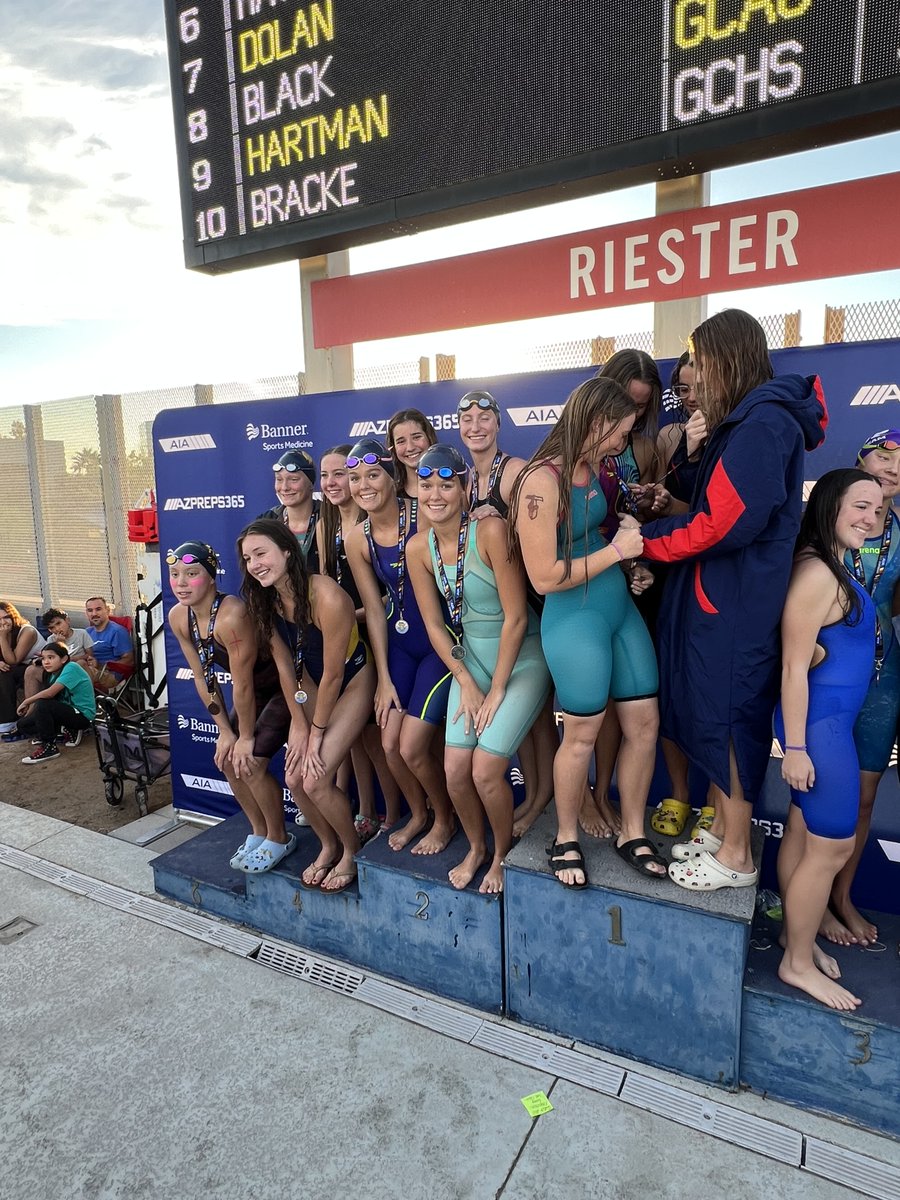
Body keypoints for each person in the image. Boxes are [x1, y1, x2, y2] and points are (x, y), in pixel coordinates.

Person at [639, 309, 827, 891]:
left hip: (735, 603)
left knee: (730, 721)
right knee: (715, 718)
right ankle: (724, 831)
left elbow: (724, 522)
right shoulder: (746, 419)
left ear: (728, 358)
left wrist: (642, 542)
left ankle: (738, 857)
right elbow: (709, 495)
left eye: (702, 360)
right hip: (721, 598)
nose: (695, 374)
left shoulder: (764, 422)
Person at [510, 377, 665, 888]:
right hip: (573, 618)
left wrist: (627, 566)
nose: (623, 444)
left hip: (616, 608)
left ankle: (633, 831)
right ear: (596, 423)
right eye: (619, 434)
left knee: (644, 721)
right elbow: (545, 576)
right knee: (581, 735)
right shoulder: (541, 480)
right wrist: (618, 554)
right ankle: (568, 835)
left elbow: (597, 531)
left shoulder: (597, 467)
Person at [408, 444, 551, 893]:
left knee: (487, 768)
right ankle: (476, 846)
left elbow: (517, 618)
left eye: (446, 485)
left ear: (465, 488)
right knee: (455, 770)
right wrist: (467, 682)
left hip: (522, 660)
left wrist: (496, 690)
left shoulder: (490, 531)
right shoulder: (418, 548)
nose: (435, 495)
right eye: (426, 485)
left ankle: (503, 854)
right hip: (471, 663)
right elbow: (434, 624)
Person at [774, 469, 882, 1011]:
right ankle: (795, 963)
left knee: (802, 831)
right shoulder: (819, 572)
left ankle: (800, 937)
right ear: (831, 505)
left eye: (878, 509)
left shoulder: (834, 565)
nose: (871, 517)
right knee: (833, 845)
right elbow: (793, 666)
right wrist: (796, 749)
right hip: (819, 731)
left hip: (823, 726)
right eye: (860, 505)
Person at [239, 518, 375, 893]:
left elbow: (334, 674)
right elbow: (287, 669)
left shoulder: (326, 595)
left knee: (315, 778)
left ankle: (351, 849)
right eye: (248, 558)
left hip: (352, 681)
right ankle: (328, 844)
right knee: (294, 777)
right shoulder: (263, 599)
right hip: (308, 685)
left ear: (287, 550)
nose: (255, 564)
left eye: (261, 553)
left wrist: (315, 734)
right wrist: (298, 724)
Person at [344, 438, 457, 855]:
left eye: (372, 475)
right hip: (399, 644)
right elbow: (374, 610)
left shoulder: (424, 514)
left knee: (410, 745)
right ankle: (421, 813)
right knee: (390, 745)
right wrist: (383, 679)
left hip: (438, 642)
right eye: (355, 478)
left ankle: (444, 819)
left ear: (392, 476)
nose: (363, 485)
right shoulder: (357, 539)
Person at [455, 389, 558, 837]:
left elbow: (541, 530)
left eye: (484, 418)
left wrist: (498, 527)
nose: (475, 427)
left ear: (498, 424)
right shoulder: (461, 480)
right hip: (493, 612)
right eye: (467, 420)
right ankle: (536, 797)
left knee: (541, 715)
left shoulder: (513, 472)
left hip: (533, 603)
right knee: (530, 720)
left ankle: (540, 800)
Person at [166, 540, 289, 873]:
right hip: (254, 693)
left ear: (211, 578)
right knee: (227, 761)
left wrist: (244, 736)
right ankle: (259, 831)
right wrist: (224, 731)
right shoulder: (179, 616)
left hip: (284, 688)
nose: (181, 582)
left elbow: (244, 682)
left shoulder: (232, 615)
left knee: (249, 762)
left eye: (191, 574)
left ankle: (279, 836)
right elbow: (202, 676)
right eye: (175, 574)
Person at [821, 429, 900, 946]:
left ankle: (841, 898)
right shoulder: (827, 526)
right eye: (884, 454)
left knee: (865, 797)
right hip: (828, 674)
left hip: (883, 676)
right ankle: (811, 902)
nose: (893, 466)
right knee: (823, 793)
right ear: (861, 460)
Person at [316, 444, 401, 836]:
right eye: (328, 476)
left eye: (341, 474)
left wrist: (350, 618)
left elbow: (389, 595)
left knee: (377, 732)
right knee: (357, 739)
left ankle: (392, 813)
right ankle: (365, 808)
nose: (333, 483)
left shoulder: (373, 525)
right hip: (347, 636)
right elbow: (325, 584)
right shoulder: (326, 525)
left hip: (379, 629)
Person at [15, 642, 96, 763]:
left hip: (82, 716)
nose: (46, 662)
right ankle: (63, 730)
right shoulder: (53, 674)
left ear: (63, 659)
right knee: (23, 725)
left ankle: (49, 747)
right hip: (65, 712)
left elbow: (50, 694)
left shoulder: (71, 667)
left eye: (51, 658)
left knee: (43, 703)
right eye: (43, 658)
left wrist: (27, 701)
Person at [259, 449, 321, 570]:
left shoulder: (329, 517)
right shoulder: (267, 520)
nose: (284, 487)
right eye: (279, 479)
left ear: (311, 484)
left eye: (293, 479)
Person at [23, 608, 92, 700]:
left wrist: (69, 656)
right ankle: (31, 708)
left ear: (67, 620)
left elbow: (90, 655)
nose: (57, 629)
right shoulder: (51, 639)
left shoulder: (81, 633)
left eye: (59, 623)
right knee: (31, 670)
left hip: (77, 671)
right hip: (58, 672)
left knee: (79, 664)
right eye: (52, 628)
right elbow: (51, 659)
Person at [0, 601, 46, 734]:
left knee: (4, 673)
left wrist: (2, 637)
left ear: (13, 616)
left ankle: (8, 720)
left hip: (39, 667)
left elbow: (13, 660)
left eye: (6, 617)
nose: (3, 622)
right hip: (21, 668)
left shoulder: (27, 631)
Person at [83, 596, 134, 693]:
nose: (94, 614)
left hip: (109, 674)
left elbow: (129, 660)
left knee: (72, 674)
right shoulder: (87, 632)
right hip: (89, 669)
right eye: (90, 610)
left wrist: (102, 665)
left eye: (98, 609)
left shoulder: (117, 631)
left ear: (107, 610)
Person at [387, 408, 437, 501]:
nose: (410, 448)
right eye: (401, 441)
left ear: (429, 438)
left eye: (416, 437)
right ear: (393, 448)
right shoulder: (390, 496)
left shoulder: (451, 488)